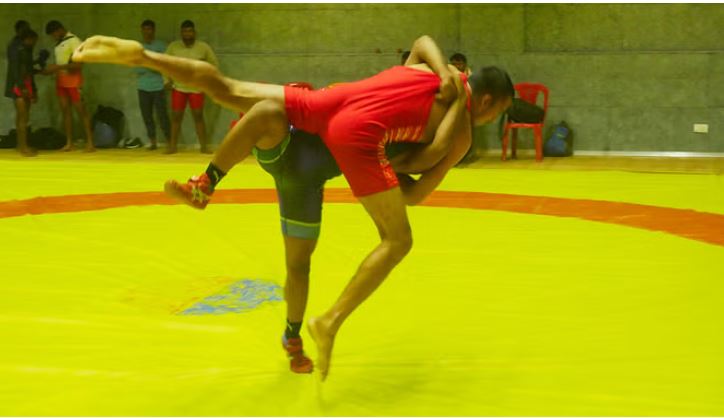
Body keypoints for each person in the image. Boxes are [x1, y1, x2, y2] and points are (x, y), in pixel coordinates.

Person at [73, 34, 513, 380]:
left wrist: (445, 80)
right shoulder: (457, 126)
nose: (490, 122)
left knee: (235, 93)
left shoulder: (434, 74)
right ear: (487, 101)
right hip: (327, 149)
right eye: (495, 114)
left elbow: (423, 42)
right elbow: (423, 169)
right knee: (391, 239)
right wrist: (433, 129)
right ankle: (325, 319)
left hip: (316, 124)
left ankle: (147, 62)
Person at [164, 20, 218, 154]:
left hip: (197, 88)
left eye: (189, 31)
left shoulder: (203, 47)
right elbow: (164, 63)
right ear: (181, 33)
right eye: (184, 31)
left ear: (194, 32)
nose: (187, 34)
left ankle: (204, 147)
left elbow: (213, 64)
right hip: (178, 87)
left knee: (198, 116)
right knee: (176, 116)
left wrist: (207, 80)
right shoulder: (173, 47)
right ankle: (172, 146)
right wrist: (166, 80)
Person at [43, 20, 94, 152]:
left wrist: (57, 67)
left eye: (53, 34)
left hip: (73, 80)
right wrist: (52, 70)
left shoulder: (75, 41)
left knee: (81, 111)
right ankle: (69, 142)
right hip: (61, 80)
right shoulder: (59, 43)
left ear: (59, 30)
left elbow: (78, 64)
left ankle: (90, 142)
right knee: (65, 111)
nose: (53, 37)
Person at [136, 19, 170, 150]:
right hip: (142, 87)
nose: (147, 32)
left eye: (149, 29)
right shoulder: (138, 47)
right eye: (145, 29)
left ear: (154, 30)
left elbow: (165, 65)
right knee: (147, 116)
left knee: (162, 116)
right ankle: (153, 142)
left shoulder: (161, 46)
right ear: (142, 31)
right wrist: (152, 65)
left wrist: (149, 65)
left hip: (158, 86)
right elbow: (136, 67)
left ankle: (170, 142)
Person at [5, 21, 37, 156]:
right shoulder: (15, 46)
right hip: (19, 84)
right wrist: (22, 86)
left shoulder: (25, 47)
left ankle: (21, 145)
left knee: (23, 117)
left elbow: (28, 67)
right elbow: (15, 68)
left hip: (25, 81)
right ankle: (23, 147)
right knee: (22, 117)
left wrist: (34, 90)